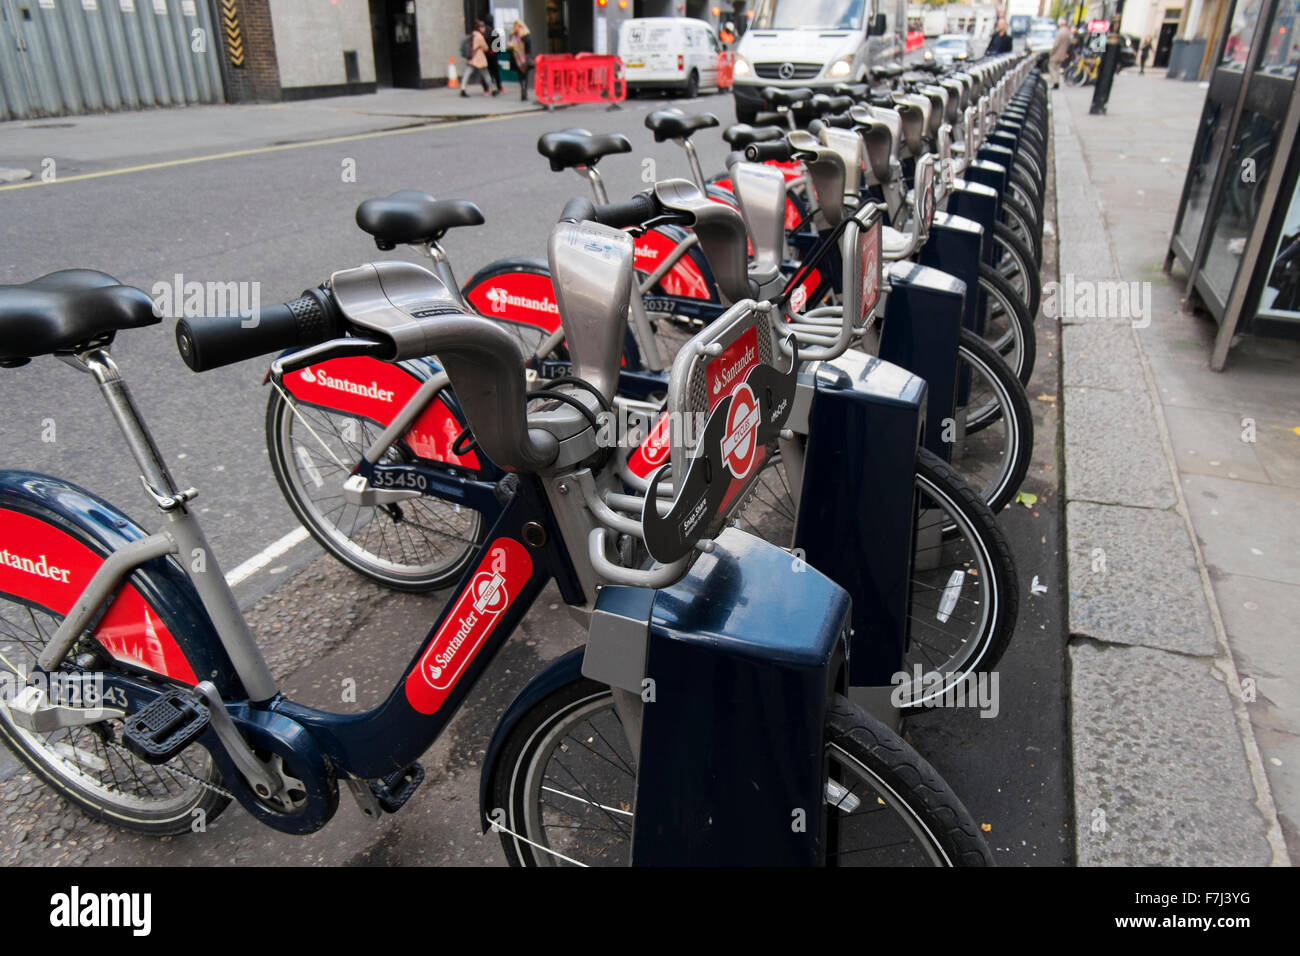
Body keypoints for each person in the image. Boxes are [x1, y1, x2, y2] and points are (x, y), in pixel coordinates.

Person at [460, 22, 497, 97]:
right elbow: (486, 48)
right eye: (483, 27)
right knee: (486, 74)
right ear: (479, 28)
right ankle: (493, 89)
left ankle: (462, 88)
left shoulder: (472, 35)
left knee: (467, 73)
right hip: (479, 58)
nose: (484, 29)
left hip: (471, 57)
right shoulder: (480, 36)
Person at [507, 19, 533, 101]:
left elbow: (528, 46)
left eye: (518, 26)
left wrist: (522, 37)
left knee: (525, 75)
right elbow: (509, 47)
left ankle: (524, 91)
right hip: (516, 58)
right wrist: (510, 46)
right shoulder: (512, 35)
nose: (516, 28)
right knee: (520, 75)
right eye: (515, 26)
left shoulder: (526, 35)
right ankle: (523, 90)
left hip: (525, 58)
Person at [1050, 19, 1071, 88]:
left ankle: (1055, 82)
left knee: (1052, 67)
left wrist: (1052, 52)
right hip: (1063, 53)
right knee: (1058, 68)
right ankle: (1057, 81)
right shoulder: (1068, 32)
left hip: (1056, 53)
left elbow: (1056, 44)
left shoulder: (1060, 32)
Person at [484, 20, 504, 93]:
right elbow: (497, 44)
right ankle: (499, 87)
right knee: (495, 72)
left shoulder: (484, 31)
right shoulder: (494, 31)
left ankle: (486, 88)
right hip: (493, 54)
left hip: (485, 54)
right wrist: (493, 52)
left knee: (486, 71)